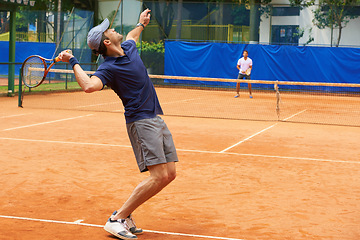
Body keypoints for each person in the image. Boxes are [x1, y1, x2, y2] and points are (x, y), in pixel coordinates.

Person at [59, 9, 178, 240]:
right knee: (158, 176)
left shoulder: (129, 48)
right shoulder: (108, 68)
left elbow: (132, 35)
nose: (114, 29)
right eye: (109, 29)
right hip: (141, 122)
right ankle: (116, 219)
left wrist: (141, 24)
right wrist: (73, 61)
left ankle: (126, 215)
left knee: (170, 174)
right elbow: (89, 86)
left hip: (155, 117)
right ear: (106, 40)